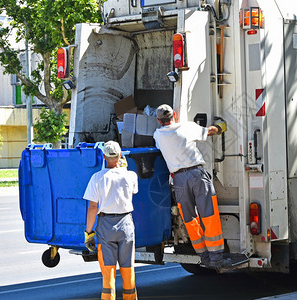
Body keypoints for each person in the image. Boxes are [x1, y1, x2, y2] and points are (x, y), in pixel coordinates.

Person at [153, 104, 231, 269]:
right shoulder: (186, 127)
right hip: (196, 174)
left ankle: (203, 256)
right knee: (209, 214)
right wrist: (220, 127)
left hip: (179, 180)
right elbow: (208, 131)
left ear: (159, 120)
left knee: (189, 218)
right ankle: (216, 257)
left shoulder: (157, 135)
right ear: (174, 114)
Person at [83, 141, 138, 300]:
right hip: (126, 223)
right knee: (128, 268)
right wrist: (123, 169)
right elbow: (132, 193)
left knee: (108, 270)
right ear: (121, 155)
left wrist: (89, 232)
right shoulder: (130, 175)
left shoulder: (97, 178)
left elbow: (93, 207)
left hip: (106, 225)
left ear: (103, 156)